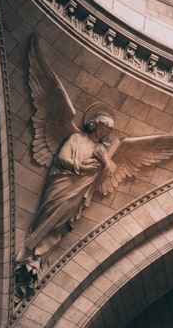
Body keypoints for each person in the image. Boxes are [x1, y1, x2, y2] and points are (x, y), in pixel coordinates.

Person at [21, 110, 114, 262]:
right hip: (63, 182)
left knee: (61, 219)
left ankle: (39, 253)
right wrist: (80, 167)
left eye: (107, 131)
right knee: (49, 209)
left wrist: (106, 162)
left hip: (79, 190)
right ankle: (30, 245)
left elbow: (101, 178)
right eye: (103, 128)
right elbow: (62, 158)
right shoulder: (76, 138)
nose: (104, 133)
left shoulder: (101, 151)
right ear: (94, 125)